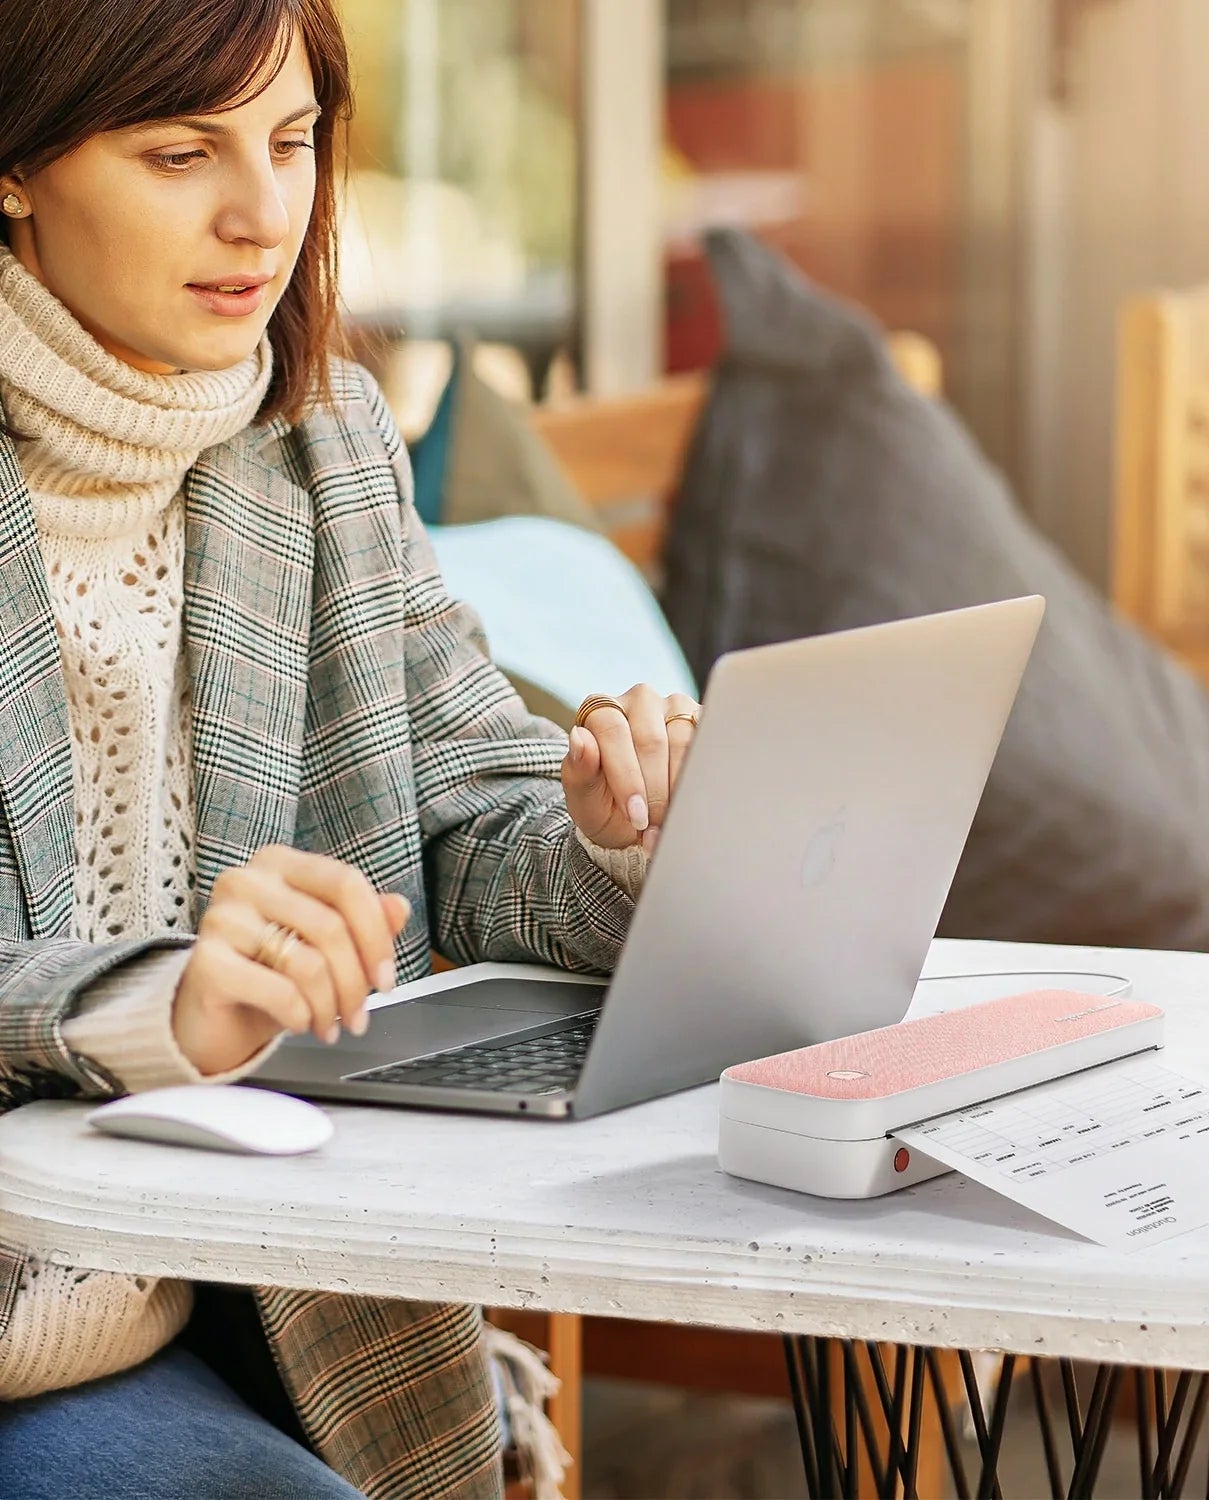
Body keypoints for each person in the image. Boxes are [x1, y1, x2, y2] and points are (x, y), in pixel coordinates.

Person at [0, 1, 696, 1494]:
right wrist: (154, 1009)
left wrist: (619, 841)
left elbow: (468, 838)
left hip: (238, 1306)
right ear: (15, 165)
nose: (262, 213)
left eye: (294, 141)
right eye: (181, 152)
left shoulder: (324, 452)